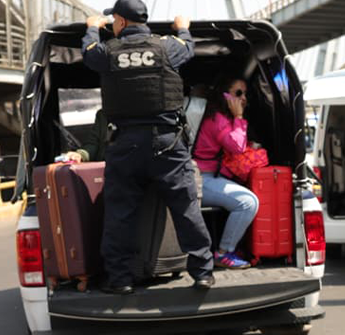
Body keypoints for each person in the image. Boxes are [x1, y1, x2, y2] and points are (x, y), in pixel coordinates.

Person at [82, 1, 215, 293]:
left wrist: (92, 29)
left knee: (120, 214)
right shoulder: (168, 47)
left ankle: (120, 280)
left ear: (119, 20)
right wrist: (182, 27)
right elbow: (188, 47)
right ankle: (203, 272)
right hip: (168, 145)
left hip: (126, 145)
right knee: (186, 207)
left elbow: (89, 55)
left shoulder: (107, 52)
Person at [193, 75, 260, 269]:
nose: (243, 98)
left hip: (209, 177)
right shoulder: (217, 119)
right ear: (224, 96)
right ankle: (222, 253)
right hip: (200, 180)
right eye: (238, 93)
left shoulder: (219, 117)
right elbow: (236, 146)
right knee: (248, 202)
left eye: (245, 94)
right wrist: (239, 117)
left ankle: (231, 248)